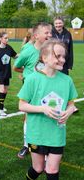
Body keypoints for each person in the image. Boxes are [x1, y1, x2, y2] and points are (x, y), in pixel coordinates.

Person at [18, 40, 78, 180]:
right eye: (58, 56)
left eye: (64, 56)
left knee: (52, 169)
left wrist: (69, 111)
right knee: (38, 168)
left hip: (57, 133)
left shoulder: (66, 80)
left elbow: (71, 103)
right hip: (37, 133)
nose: (63, 59)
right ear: (44, 57)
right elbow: (22, 105)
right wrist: (42, 109)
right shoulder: (32, 79)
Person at [14, 22, 52, 159]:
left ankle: (47, 145)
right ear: (36, 36)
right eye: (46, 33)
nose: (50, 35)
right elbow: (16, 67)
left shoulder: (51, 50)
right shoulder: (28, 50)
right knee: (29, 116)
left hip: (47, 87)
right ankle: (26, 144)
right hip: (31, 88)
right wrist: (27, 75)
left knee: (47, 115)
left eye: (50, 32)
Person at [0, 31, 17, 116]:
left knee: (5, 91)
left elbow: (15, 56)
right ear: (0, 39)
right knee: (1, 90)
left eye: (8, 38)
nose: (7, 39)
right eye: (5, 38)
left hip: (7, 72)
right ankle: (1, 110)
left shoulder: (9, 48)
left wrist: (25, 54)